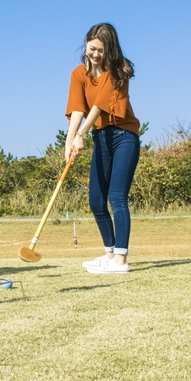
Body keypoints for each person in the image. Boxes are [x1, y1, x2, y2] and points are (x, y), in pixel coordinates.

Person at [65, 23, 141, 274]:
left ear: (110, 50)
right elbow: (78, 108)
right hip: (101, 138)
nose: (96, 54)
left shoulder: (118, 71)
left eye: (101, 50)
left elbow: (99, 106)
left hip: (124, 136)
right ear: (85, 44)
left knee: (116, 197)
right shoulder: (78, 74)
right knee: (96, 202)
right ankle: (109, 255)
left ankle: (120, 260)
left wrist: (81, 134)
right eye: (92, 48)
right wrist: (69, 142)